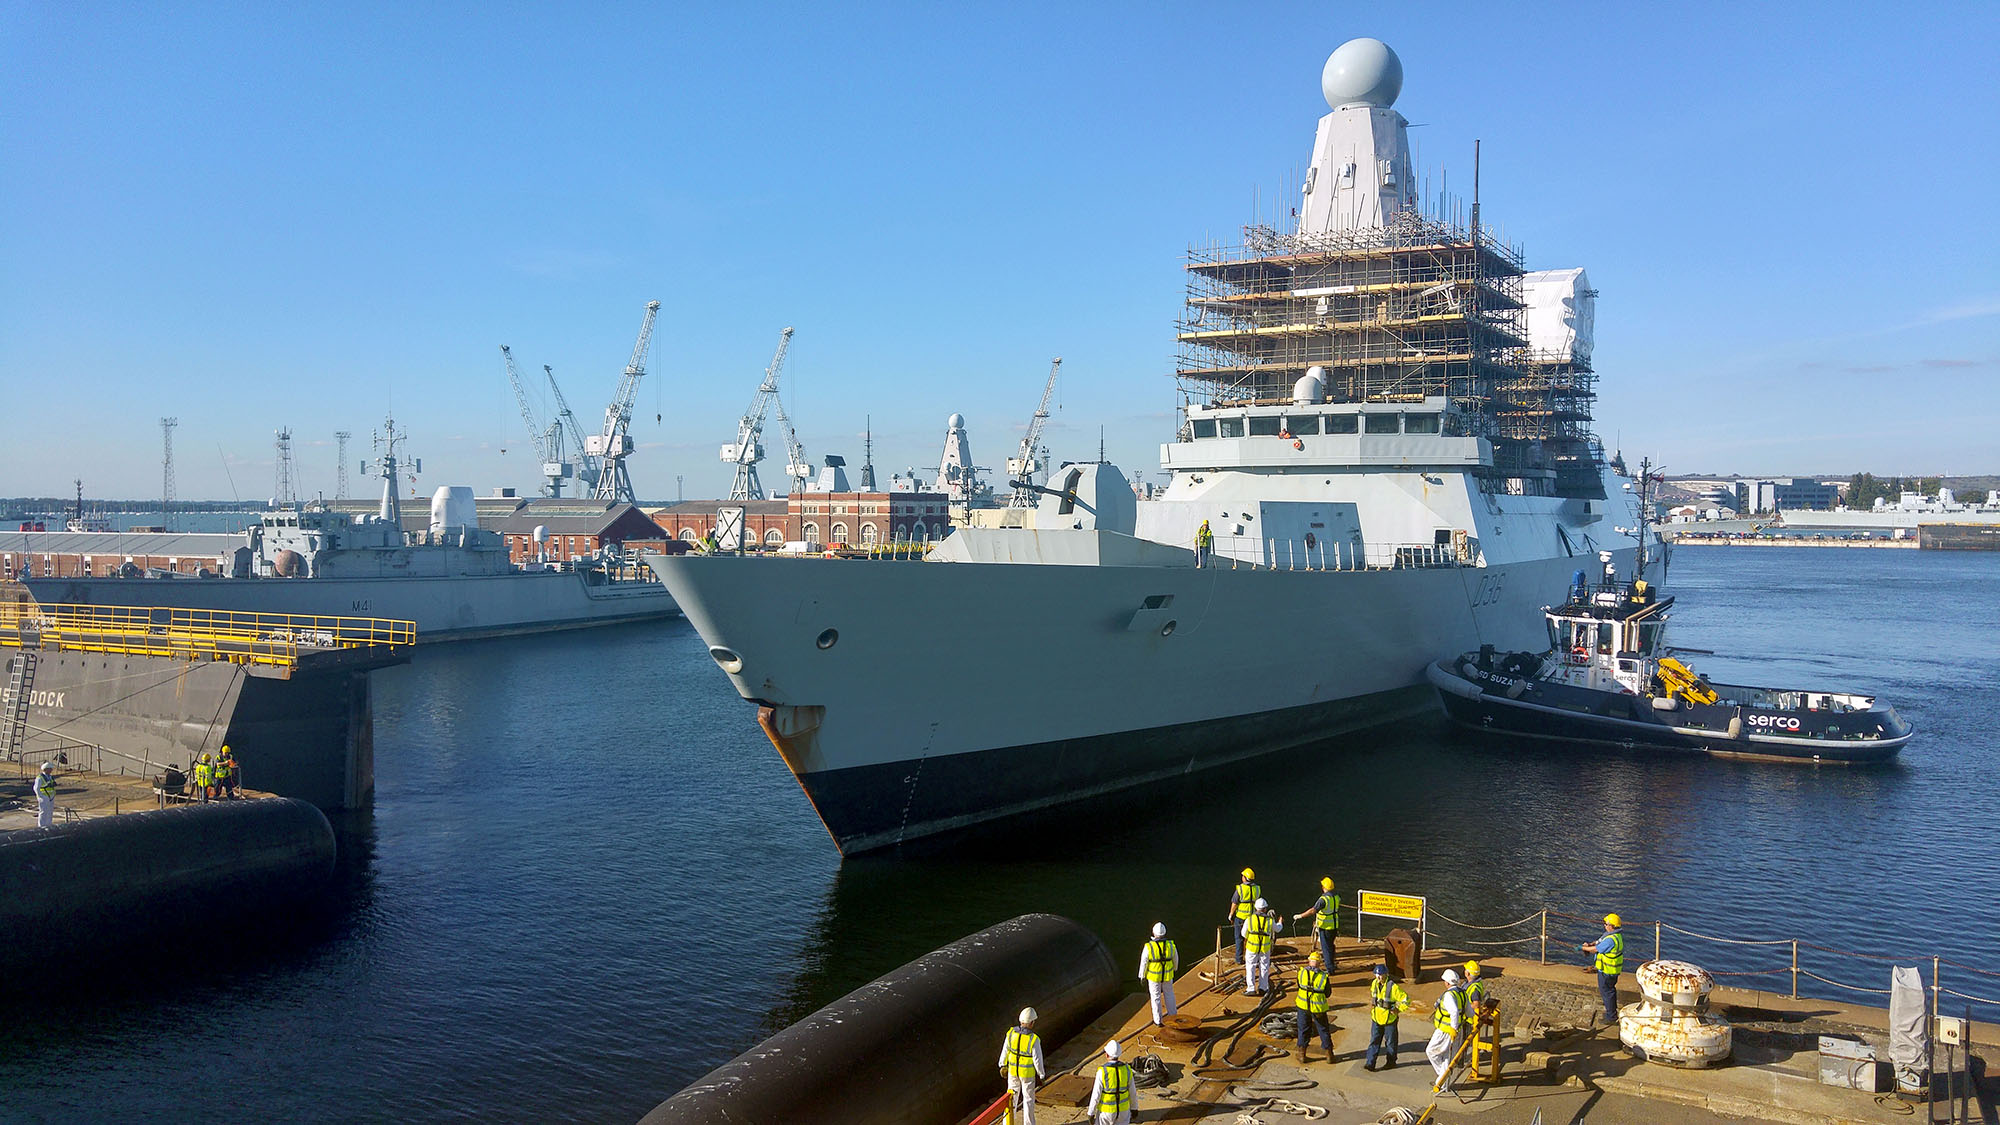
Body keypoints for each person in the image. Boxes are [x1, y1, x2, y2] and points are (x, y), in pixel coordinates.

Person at [999, 1006, 1045, 1125]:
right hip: (1027, 1075)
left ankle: (1006, 1123)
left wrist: (1002, 1065)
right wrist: (1041, 1075)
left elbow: (1005, 1050)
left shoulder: (1010, 1034)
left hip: (1013, 1072)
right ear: (1032, 1023)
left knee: (1011, 1099)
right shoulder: (1033, 1039)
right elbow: (1037, 1059)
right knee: (1028, 1100)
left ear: (1020, 1021)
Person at [1579, 913, 1624, 1024]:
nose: (1604, 925)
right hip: (1610, 971)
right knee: (1610, 991)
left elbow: (1597, 949)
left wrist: (1583, 947)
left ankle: (1611, 1017)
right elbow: (1598, 942)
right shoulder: (1613, 935)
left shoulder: (1611, 940)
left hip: (1607, 971)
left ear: (1611, 926)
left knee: (1607, 992)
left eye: (1606, 924)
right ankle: (1611, 1013)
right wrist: (1589, 944)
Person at [1426, 968, 1466, 1092]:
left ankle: (1441, 1080)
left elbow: (1454, 1011)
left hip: (1445, 1031)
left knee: (1431, 1051)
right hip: (1458, 1030)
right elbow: (1469, 1012)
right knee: (1449, 1058)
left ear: (1447, 983)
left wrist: (1453, 1029)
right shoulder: (1462, 993)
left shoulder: (1449, 995)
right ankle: (1442, 1081)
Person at [1364, 963, 1410, 1070]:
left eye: (1380, 975)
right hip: (1376, 1018)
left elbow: (1406, 1000)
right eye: (1376, 975)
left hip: (1389, 1020)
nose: (1378, 977)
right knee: (1374, 1041)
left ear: (1386, 975)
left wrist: (1398, 1009)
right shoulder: (1374, 983)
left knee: (1391, 1043)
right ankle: (1370, 1063)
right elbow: (1374, 996)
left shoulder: (1393, 987)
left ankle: (1391, 1062)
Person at [1294, 950, 1334, 1062]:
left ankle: (1302, 1054)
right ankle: (1329, 1054)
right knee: (1323, 1030)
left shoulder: (1301, 973)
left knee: (1303, 1030)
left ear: (1309, 961)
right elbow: (1327, 993)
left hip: (1303, 1006)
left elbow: (1299, 985)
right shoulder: (1323, 976)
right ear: (1320, 963)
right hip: (1318, 1008)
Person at [1293, 877, 1341, 969]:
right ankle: (1332, 964)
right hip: (1334, 925)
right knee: (1330, 945)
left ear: (1324, 887)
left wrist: (1300, 916)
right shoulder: (1336, 897)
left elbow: (1313, 910)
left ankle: (1330, 968)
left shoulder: (1323, 899)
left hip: (1325, 926)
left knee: (1325, 948)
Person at [1086, 1039, 1134, 1125]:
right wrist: (1134, 1108)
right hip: (1124, 1111)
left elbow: (1096, 1095)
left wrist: (1091, 1113)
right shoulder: (1127, 1070)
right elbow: (1132, 1092)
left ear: (1107, 1055)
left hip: (1106, 1112)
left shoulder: (1102, 1072)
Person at [1139, 922, 1179, 1025]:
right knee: (1169, 995)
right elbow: (1176, 959)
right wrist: (1175, 969)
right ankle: (1173, 1016)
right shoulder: (1171, 945)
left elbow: (1144, 962)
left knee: (1155, 997)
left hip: (1153, 976)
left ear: (1153, 932)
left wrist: (1142, 976)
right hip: (1167, 975)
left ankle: (1158, 1021)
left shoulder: (1149, 946)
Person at [1241, 898, 1279, 995]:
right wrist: (1280, 923)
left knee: (1250, 967)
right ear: (1265, 909)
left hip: (1252, 947)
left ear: (1256, 908)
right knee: (1264, 967)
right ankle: (1263, 988)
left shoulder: (1249, 919)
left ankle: (1251, 989)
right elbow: (1277, 929)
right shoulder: (1270, 920)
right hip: (1264, 948)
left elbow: (1243, 934)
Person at [1226, 868, 1260, 965]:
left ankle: (1239, 959)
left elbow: (1234, 903)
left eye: (1243, 876)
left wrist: (1230, 915)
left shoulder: (1240, 889)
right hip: (1252, 917)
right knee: (1252, 938)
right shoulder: (1257, 888)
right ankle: (1253, 958)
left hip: (1241, 917)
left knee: (1239, 938)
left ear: (1245, 878)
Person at [35, 762, 57, 828]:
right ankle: (41, 825)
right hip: (44, 797)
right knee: (43, 811)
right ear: (45, 769)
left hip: (51, 797)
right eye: (50, 769)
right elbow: (36, 788)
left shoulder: (50, 777)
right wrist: (40, 796)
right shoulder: (40, 778)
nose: (51, 770)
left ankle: (49, 824)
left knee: (50, 811)